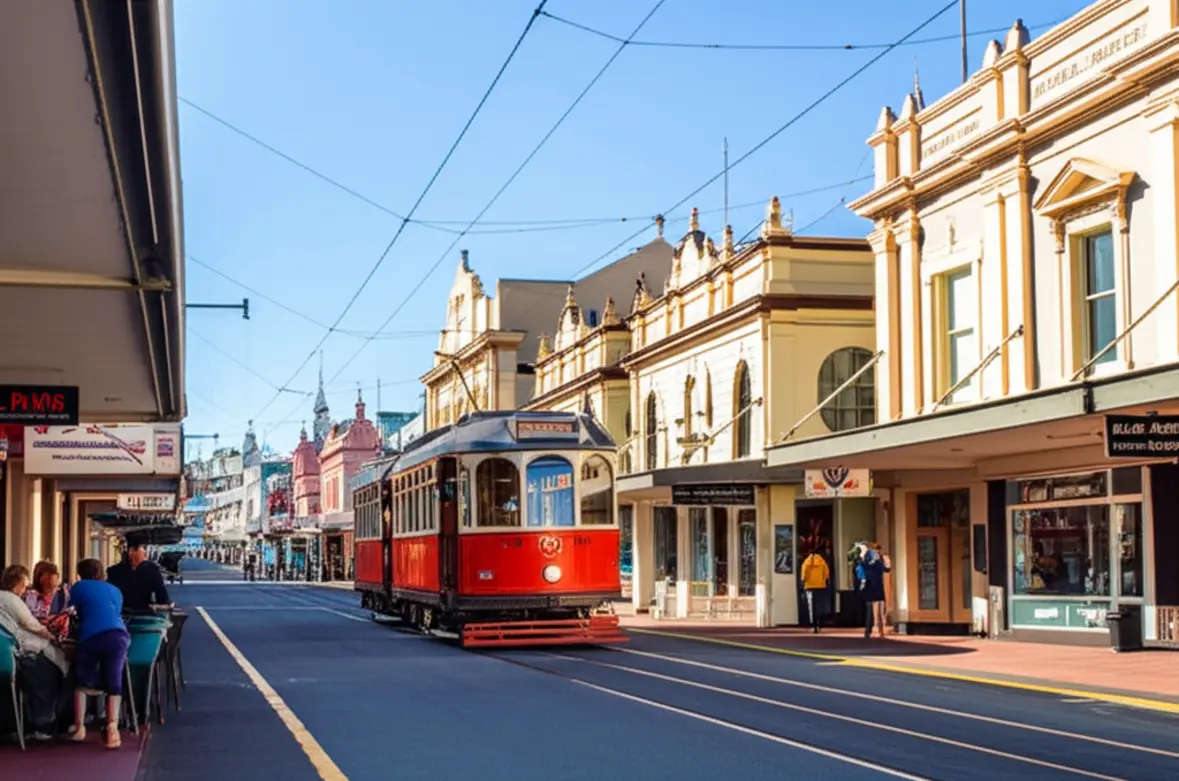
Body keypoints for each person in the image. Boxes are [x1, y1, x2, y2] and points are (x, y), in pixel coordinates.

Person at [0, 564, 69, 740]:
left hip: (5, 658)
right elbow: (31, 624)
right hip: (19, 654)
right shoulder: (10, 599)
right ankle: (43, 724)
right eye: (24, 583)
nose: (25, 589)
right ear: (17, 582)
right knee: (48, 674)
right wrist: (52, 638)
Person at [69, 558, 130, 749]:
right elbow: (115, 612)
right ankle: (112, 728)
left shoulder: (79, 587)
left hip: (91, 635)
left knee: (82, 677)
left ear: (80, 573)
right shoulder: (114, 589)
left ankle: (79, 727)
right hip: (119, 636)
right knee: (114, 678)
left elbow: (71, 609)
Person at [107, 541, 172, 612]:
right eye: (143, 549)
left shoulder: (113, 571)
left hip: (119, 613)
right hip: (143, 613)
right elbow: (162, 598)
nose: (145, 553)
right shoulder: (152, 569)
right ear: (131, 551)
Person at [25, 560, 71, 638]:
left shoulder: (63, 595)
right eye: (47, 582)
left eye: (54, 585)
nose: (50, 582)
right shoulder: (30, 596)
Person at [854, 542, 890, 639]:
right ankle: (875, 630)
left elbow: (865, 566)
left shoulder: (871, 560)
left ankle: (875, 630)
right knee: (875, 608)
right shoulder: (877, 560)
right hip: (875, 586)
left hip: (871, 586)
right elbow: (885, 569)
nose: (877, 552)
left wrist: (862, 556)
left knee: (875, 609)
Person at [799, 547, 831, 633]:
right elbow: (827, 574)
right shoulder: (822, 562)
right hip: (820, 586)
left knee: (811, 606)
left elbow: (804, 574)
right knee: (819, 606)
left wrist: (803, 582)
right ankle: (819, 623)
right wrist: (825, 581)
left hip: (809, 586)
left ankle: (813, 625)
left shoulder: (806, 562)